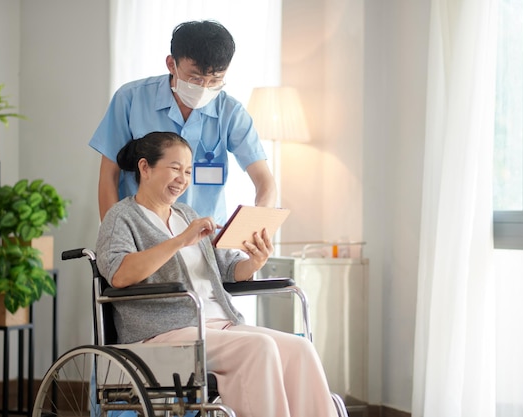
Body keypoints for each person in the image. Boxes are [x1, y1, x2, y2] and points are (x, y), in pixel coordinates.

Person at [95, 131, 337, 417]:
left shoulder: (186, 214)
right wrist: (180, 241)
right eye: (174, 168)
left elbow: (228, 267)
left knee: (299, 349)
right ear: (145, 168)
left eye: (187, 171)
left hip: (219, 325)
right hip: (163, 332)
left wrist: (254, 261)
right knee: (259, 348)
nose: (182, 179)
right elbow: (119, 274)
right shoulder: (122, 217)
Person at [89, 20, 276, 224]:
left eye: (215, 80)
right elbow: (109, 176)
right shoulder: (131, 99)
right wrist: (113, 236)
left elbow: (264, 181)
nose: (204, 88)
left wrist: (258, 223)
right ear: (171, 64)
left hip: (206, 240)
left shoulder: (230, 112)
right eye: (195, 78)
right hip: (142, 235)